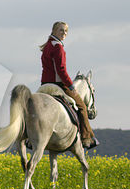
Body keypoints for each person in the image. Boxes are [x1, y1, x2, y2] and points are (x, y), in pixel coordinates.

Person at [40, 21, 99, 149]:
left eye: (66, 31)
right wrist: (71, 85)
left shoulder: (47, 46)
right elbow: (61, 70)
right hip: (58, 84)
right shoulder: (58, 47)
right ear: (54, 31)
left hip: (44, 84)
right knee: (82, 106)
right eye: (61, 30)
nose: (64, 33)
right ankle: (86, 138)